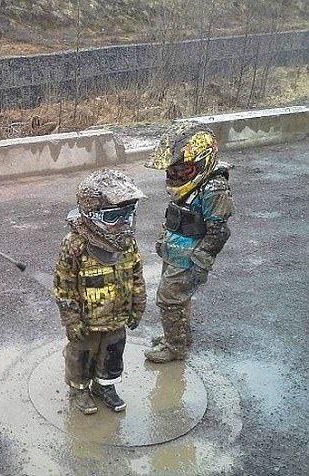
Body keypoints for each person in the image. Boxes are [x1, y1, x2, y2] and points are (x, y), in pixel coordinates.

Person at [53, 170, 146, 415]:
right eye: (114, 215)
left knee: (113, 354)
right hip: (87, 320)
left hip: (118, 316)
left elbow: (136, 274)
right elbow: (64, 286)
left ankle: (105, 387)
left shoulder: (127, 242)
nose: (123, 221)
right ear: (91, 216)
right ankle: (79, 389)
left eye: (128, 213)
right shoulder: (74, 244)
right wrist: (71, 321)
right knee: (81, 355)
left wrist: (138, 306)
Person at [144, 121, 234, 363]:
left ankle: (175, 347)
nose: (176, 176)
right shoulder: (188, 189)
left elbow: (218, 232)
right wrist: (163, 238)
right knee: (178, 299)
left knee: (169, 300)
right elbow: (174, 215)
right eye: (172, 172)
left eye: (183, 172)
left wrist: (202, 262)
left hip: (189, 256)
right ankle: (179, 337)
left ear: (202, 164)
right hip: (175, 251)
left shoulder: (213, 188)